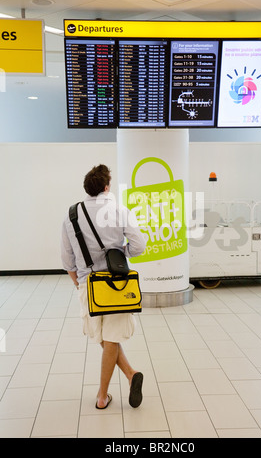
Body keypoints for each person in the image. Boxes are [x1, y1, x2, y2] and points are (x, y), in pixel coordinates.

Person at [61, 164, 146, 409]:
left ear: (87, 189)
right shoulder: (119, 210)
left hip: (89, 284)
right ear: (107, 187)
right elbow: (139, 246)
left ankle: (103, 395)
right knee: (111, 338)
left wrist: (79, 283)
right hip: (117, 283)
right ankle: (130, 375)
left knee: (102, 337)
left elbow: (67, 258)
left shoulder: (71, 214)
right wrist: (121, 252)